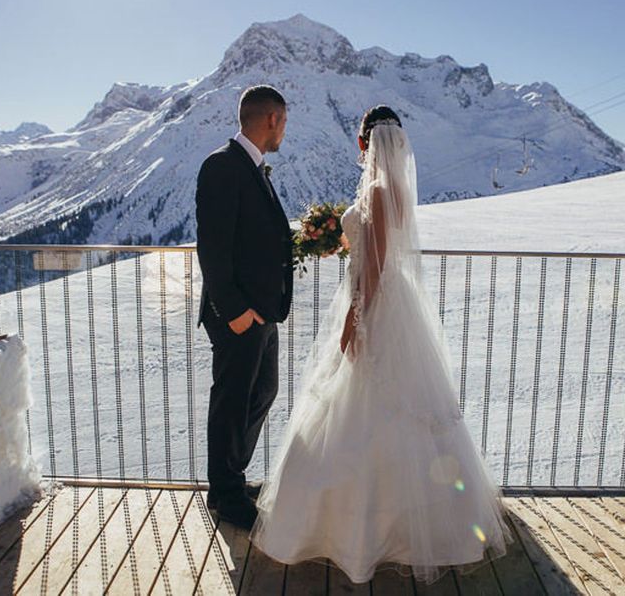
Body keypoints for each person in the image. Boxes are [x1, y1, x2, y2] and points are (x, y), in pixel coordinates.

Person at [249, 105, 513, 583]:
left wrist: (355, 322)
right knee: (406, 412)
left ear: (363, 144)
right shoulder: (395, 191)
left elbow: (371, 268)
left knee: (354, 406)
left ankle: (351, 532)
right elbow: (376, 252)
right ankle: (432, 523)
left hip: (373, 305)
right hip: (397, 305)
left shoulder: (374, 189)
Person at [195, 85, 294, 530]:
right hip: (237, 313)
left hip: (262, 311)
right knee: (232, 399)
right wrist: (234, 310)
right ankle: (226, 493)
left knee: (262, 392)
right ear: (271, 119)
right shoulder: (221, 166)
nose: (284, 132)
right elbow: (212, 248)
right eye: (284, 122)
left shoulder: (253, 169)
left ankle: (230, 476)